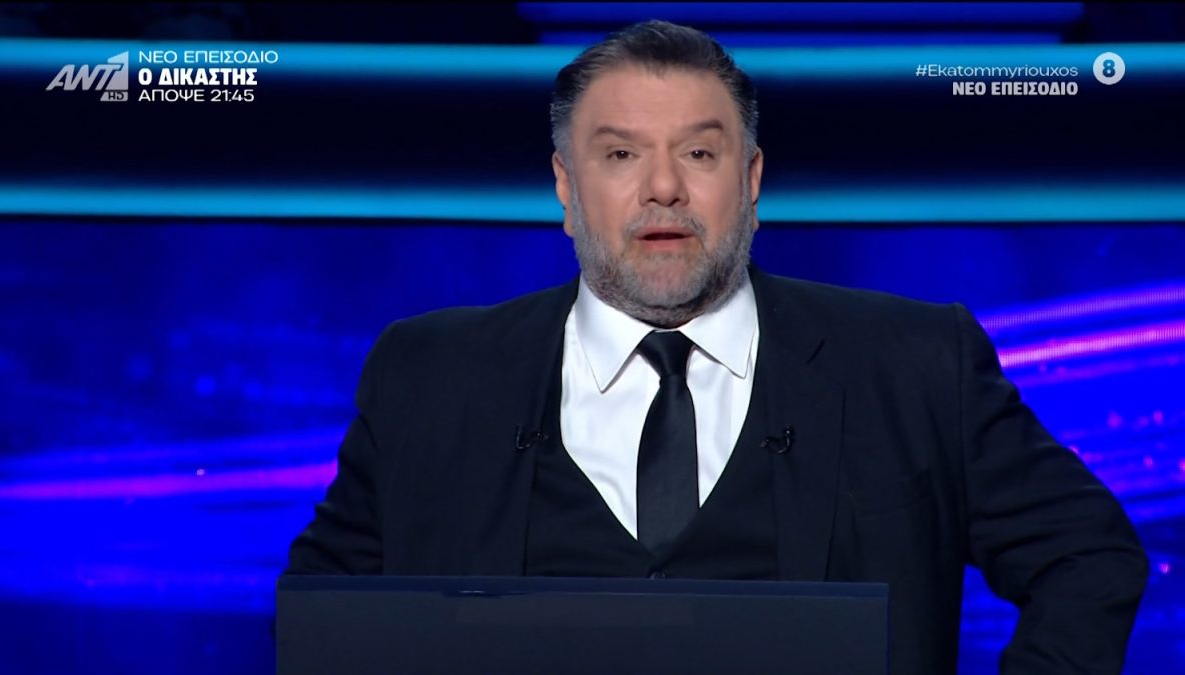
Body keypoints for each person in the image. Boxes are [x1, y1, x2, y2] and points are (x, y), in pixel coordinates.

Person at [284, 20, 1147, 674]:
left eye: (699, 151)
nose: (663, 187)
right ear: (566, 187)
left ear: (751, 179)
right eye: (621, 154)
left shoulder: (916, 363)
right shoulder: (428, 375)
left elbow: (1091, 556)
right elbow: (321, 614)